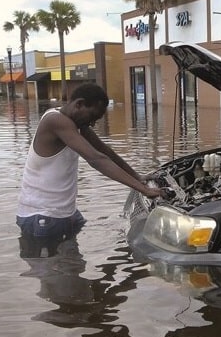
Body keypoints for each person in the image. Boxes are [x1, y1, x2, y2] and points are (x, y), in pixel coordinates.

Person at [16, 83, 161, 243]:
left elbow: (105, 152)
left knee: (75, 267)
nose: (92, 124)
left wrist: (137, 177)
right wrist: (142, 189)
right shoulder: (55, 121)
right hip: (41, 217)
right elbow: (96, 159)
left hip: (64, 213)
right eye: (92, 117)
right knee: (49, 267)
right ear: (79, 104)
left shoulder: (77, 124)